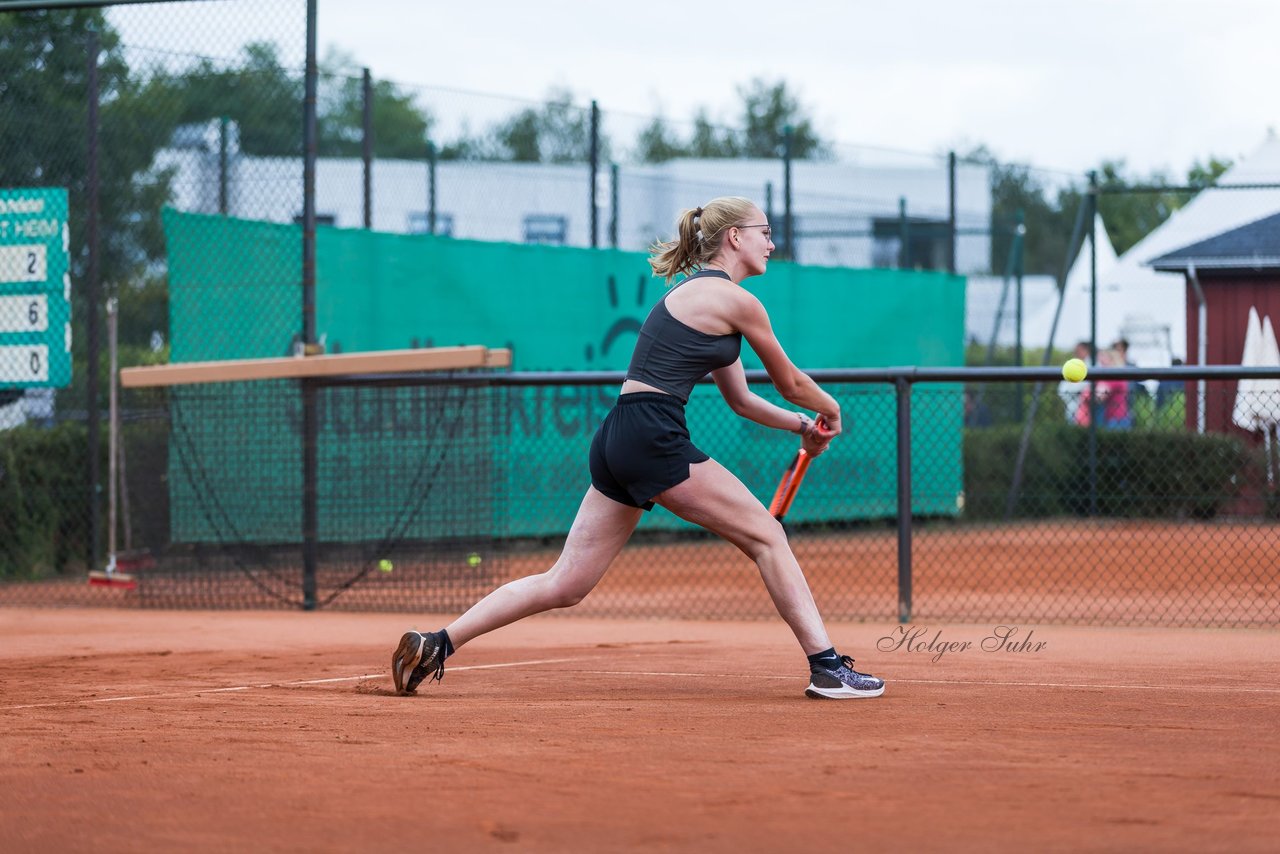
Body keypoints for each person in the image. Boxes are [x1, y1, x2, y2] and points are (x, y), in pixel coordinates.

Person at [392, 196, 885, 700]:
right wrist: (830, 410)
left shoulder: (703, 299)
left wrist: (802, 426)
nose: (772, 243)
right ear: (734, 236)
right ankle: (826, 667)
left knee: (566, 583)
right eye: (764, 231)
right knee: (766, 535)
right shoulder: (737, 302)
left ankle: (437, 643)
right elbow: (791, 382)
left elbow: (741, 400)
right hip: (651, 433)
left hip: (619, 435)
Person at [1059, 341, 1091, 425]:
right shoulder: (1072, 364)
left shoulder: (1092, 364)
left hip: (1088, 411)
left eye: (1079, 350)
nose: (1076, 352)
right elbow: (1062, 390)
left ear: (1086, 350)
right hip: (1072, 409)